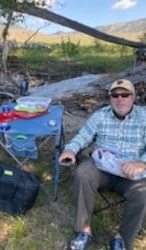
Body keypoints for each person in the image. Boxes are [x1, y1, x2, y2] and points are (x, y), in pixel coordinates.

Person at [59, 79, 146, 250]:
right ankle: (84, 230)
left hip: (131, 173)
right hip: (103, 168)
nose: (120, 99)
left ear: (133, 97)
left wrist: (141, 163)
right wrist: (70, 149)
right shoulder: (100, 115)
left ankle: (122, 238)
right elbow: (83, 136)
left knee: (143, 195)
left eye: (125, 95)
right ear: (110, 98)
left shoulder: (144, 117)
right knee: (83, 173)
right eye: (115, 95)